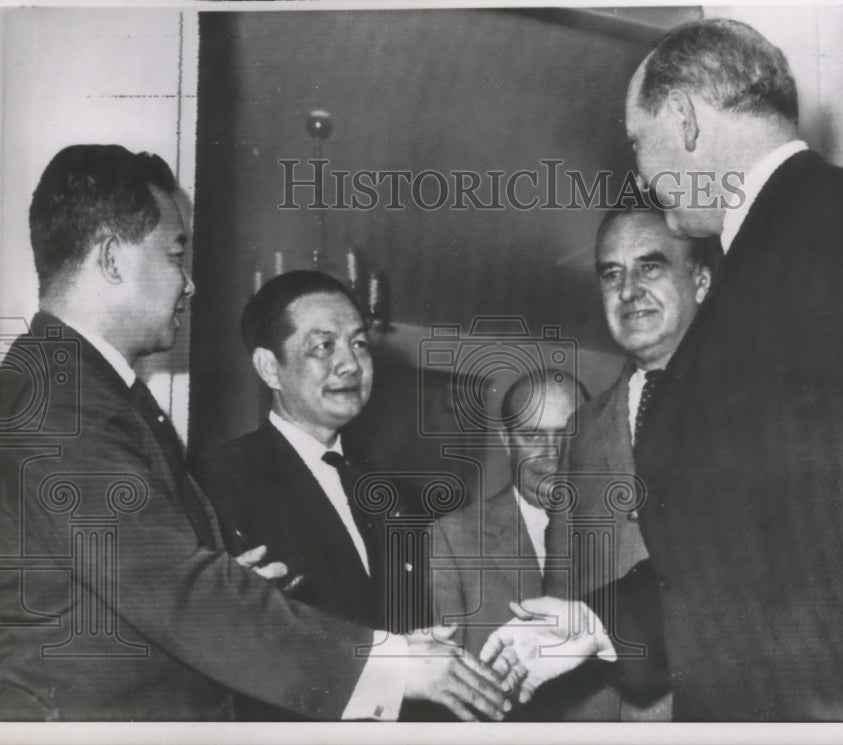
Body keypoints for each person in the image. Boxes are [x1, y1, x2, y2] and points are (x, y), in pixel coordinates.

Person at [0, 144, 515, 721]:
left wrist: (228, 588)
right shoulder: (61, 399)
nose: (189, 285)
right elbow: (174, 589)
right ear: (113, 260)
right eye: (175, 254)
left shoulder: (76, 391)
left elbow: (130, 589)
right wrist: (390, 664)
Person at [485, 18, 843, 722]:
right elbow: (751, 545)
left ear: (686, 119)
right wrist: (598, 623)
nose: (639, 174)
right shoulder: (775, 251)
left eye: (638, 141)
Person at [193, 270, 429, 719]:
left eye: (359, 343)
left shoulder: (388, 491)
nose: (350, 364)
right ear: (269, 367)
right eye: (323, 346)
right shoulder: (220, 481)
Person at [542, 207, 722, 721]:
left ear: (701, 281)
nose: (628, 291)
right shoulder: (582, 429)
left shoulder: (752, 407)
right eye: (611, 274)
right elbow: (562, 580)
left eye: (650, 267)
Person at [431, 369, 596, 720]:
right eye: (533, 435)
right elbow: (448, 688)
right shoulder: (452, 537)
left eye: (568, 433)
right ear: (507, 441)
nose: (552, 453)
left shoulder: (629, 532)